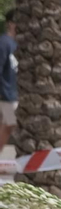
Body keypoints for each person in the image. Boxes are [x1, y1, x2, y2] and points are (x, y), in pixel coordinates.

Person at [0, 20, 14, 152]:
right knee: (8, 125)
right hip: (7, 95)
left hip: (17, 94)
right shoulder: (4, 43)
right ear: (10, 24)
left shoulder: (19, 42)